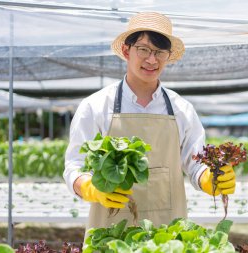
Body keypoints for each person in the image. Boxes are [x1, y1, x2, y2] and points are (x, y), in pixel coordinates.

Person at [64, 12, 236, 229]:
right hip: (110, 229)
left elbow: (196, 162)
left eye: (159, 52)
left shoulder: (181, 109)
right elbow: (74, 166)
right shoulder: (96, 106)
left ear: (168, 56)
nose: (152, 60)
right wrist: (91, 187)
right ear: (127, 51)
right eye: (143, 49)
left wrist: (209, 178)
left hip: (167, 232)